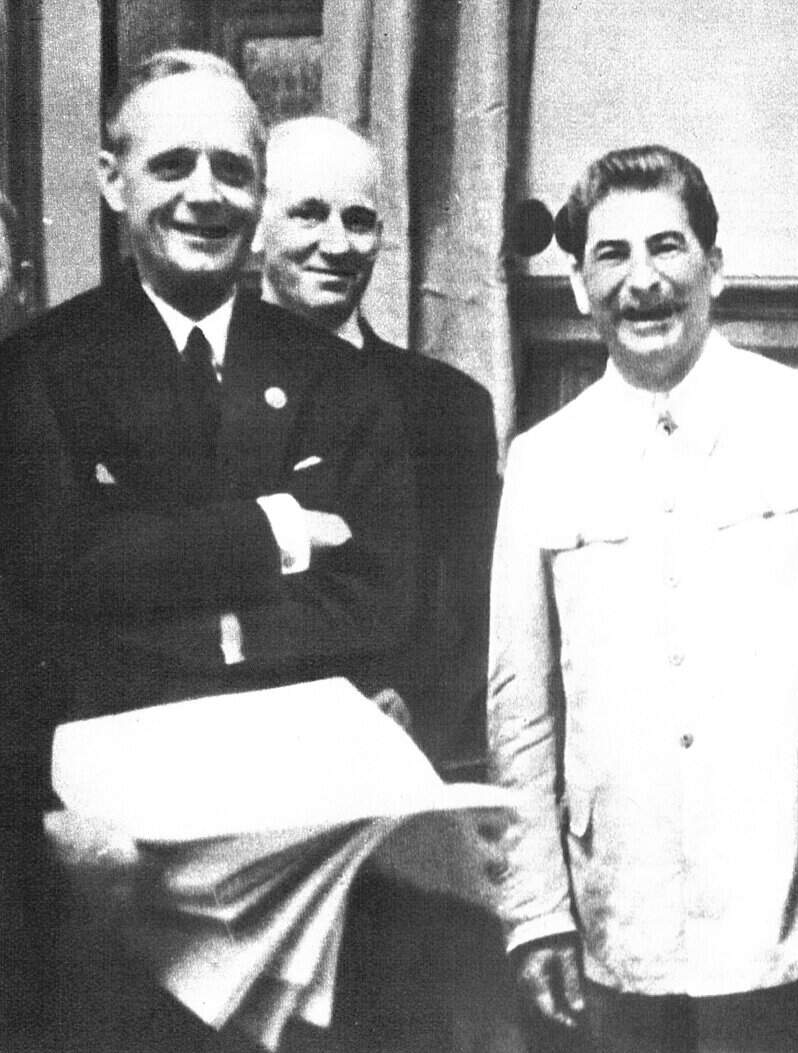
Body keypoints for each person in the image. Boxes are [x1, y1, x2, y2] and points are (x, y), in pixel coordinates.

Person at [487, 145, 798, 1053]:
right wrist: (535, 908)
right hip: (617, 913)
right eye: (610, 256)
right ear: (580, 285)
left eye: (667, 246)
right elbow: (521, 712)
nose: (642, 280)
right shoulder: (544, 459)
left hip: (786, 905)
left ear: (715, 267)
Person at [0, 49, 416, 1052]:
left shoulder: (342, 384)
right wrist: (274, 535)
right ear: (111, 180)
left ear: (261, 191)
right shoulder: (38, 373)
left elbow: (380, 600)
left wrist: (145, 591)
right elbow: (47, 583)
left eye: (232, 169)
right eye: (172, 164)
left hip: (303, 858)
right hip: (105, 858)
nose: (204, 195)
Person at [258, 115, 499, 775]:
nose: (337, 244)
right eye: (308, 215)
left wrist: (414, 704)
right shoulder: (189, 389)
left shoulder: (449, 408)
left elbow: (475, 607)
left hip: (398, 765)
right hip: (234, 761)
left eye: (359, 220)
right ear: (255, 222)